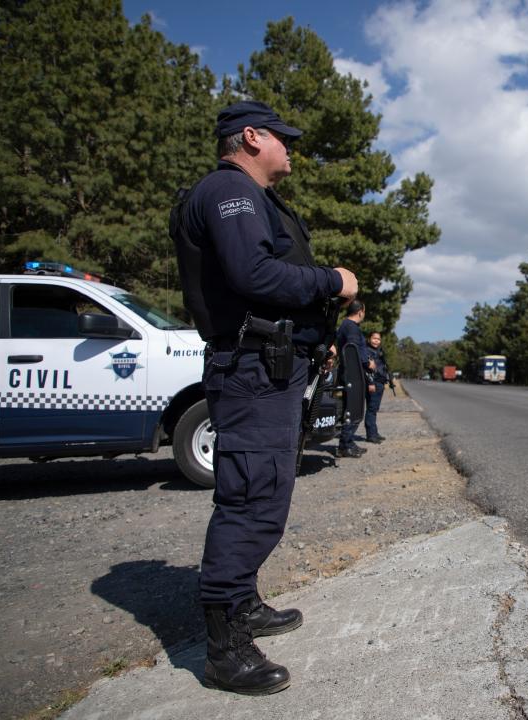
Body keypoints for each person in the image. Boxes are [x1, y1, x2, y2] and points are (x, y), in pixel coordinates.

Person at [171, 100, 358, 695]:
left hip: (269, 365)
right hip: (252, 368)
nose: (290, 147)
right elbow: (255, 276)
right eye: (283, 138)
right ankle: (224, 647)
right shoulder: (230, 192)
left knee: (265, 488)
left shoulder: (250, 197)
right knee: (252, 497)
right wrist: (333, 279)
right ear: (251, 137)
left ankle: (243, 602)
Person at [336, 300, 373, 457]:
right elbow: (353, 350)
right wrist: (367, 362)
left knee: (351, 408)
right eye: (364, 311)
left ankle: (348, 442)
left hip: (351, 373)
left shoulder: (347, 325)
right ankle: (345, 445)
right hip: (353, 374)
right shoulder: (351, 328)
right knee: (353, 408)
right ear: (360, 311)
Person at [364, 331, 395, 443]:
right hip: (374, 383)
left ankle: (374, 432)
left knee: (374, 409)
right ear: (369, 339)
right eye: (374, 338)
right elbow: (367, 370)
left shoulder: (379, 351)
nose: (376, 341)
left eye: (378, 339)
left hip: (380, 382)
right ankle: (371, 435)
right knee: (371, 409)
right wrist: (371, 383)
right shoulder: (367, 351)